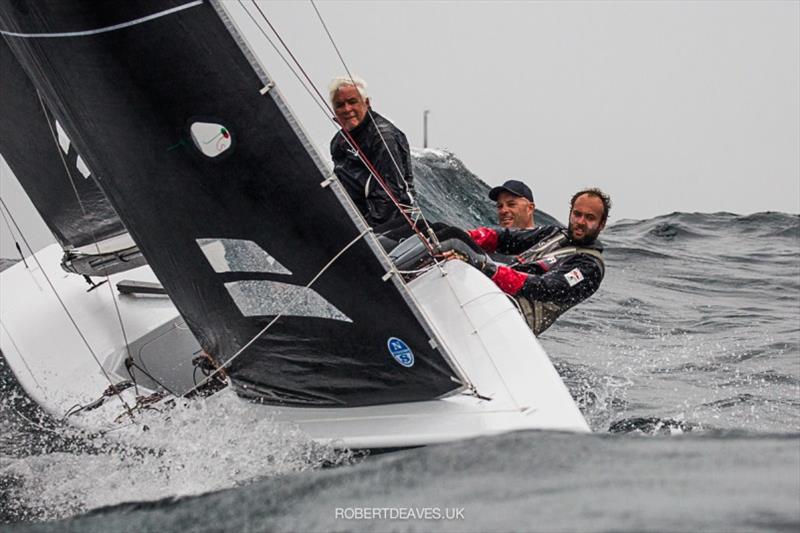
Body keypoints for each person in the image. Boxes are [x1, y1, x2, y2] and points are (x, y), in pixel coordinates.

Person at [438, 188, 611, 335]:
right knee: (447, 234)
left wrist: (487, 269)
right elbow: (505, 238)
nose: (580, 222)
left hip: (513, 319)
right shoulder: (554, 233)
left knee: (459, 248)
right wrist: (469, 236)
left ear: (601, 224)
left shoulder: (590, 267)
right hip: (492, 297)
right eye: (577, 214)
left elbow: (545, 288)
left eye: (589, 218)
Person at [329, 76, 415, 232]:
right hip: (351, 220)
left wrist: (367, 233)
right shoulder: (338, 142)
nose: (347, 109)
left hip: (386, 228)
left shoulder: (383, 138)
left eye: (352, 102)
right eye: (340, 105)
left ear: (366, 103)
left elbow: (389, 196)